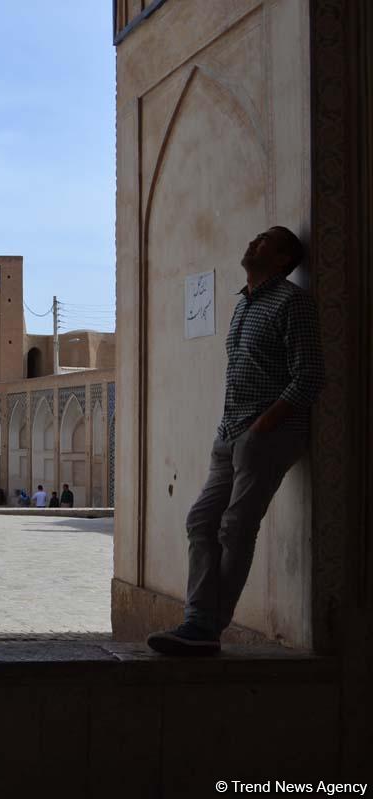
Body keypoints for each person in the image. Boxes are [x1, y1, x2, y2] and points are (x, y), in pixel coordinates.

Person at [148, 226, 323, 656]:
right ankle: (198, 621)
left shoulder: (293, 303)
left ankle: (205, 627)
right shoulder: (243, 304)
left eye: (265, 240)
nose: (253, 242)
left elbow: (309, 375)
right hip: (229, 433)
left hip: (265, 436)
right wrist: (236, 428)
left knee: (236, 526)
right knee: (200, 521)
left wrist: (263, 425)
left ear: (282, 259)